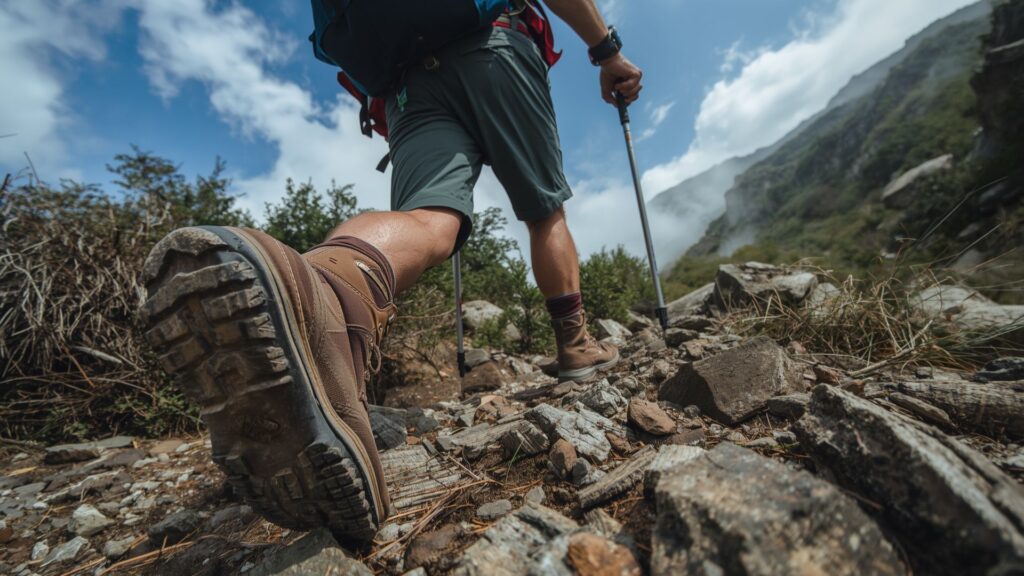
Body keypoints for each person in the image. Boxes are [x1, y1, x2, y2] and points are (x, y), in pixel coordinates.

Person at [140, 0, 642, 546]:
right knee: (545, 210)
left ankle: (323, 294)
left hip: (408, 89)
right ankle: (577, 345)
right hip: (493, 47)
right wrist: (606, 50)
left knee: (431, 220)